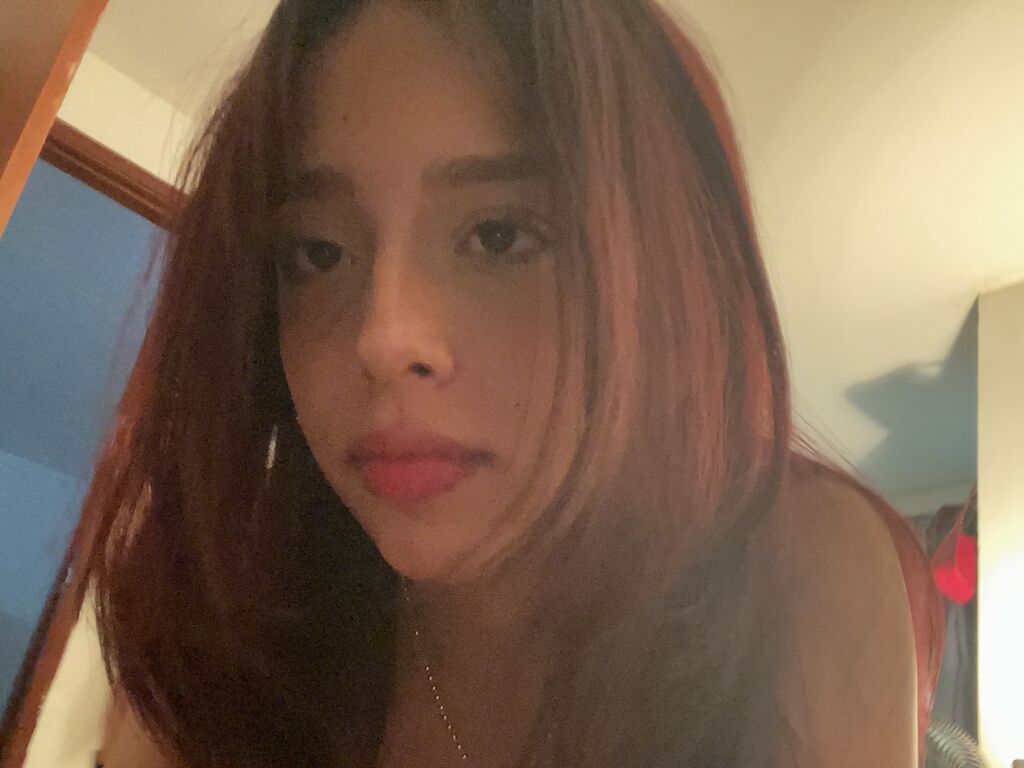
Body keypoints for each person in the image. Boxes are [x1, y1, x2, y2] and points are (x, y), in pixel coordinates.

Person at [72, 1, 943, 766]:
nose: (383, 339)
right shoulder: (224, 624)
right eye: (319, 252)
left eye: (498, 236)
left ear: (665, 273)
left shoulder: (796, 576)